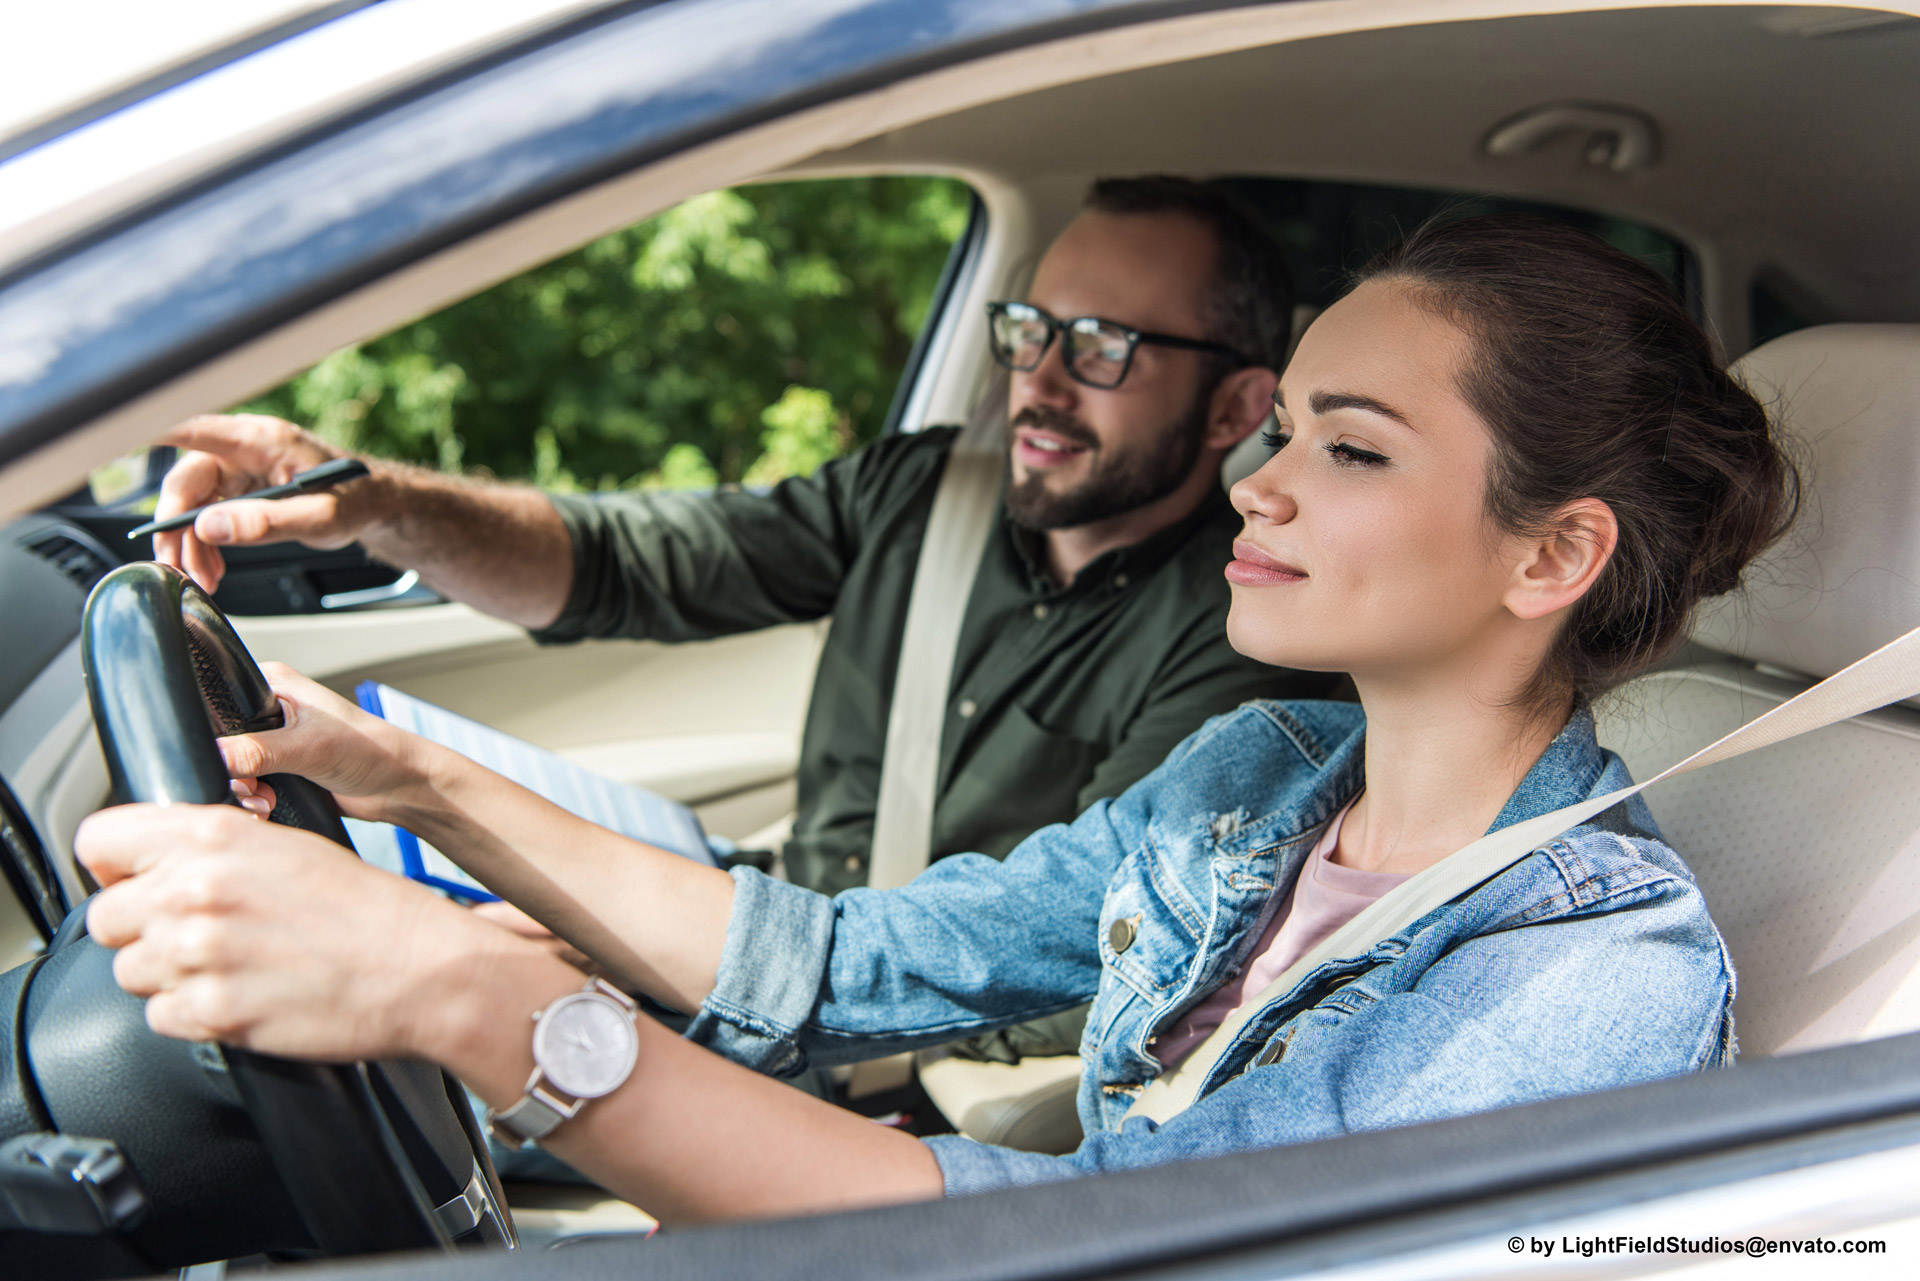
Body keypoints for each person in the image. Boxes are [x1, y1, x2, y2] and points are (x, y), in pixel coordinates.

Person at [79, 215, 1798, 1223]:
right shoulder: (1258, 785)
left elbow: (1092, 1253)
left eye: (1348, 448)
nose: (1259, 487)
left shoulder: (1587, 986)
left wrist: (472, 1000)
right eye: (1288, 435)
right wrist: (410, 780)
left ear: (1554, 553)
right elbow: (836, 961)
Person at [151, 175, 1335, 918]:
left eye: (1103, 346)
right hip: (771, 911)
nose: (1037, 383)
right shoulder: (920, 492)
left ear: (1236, 410)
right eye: (1029, 332)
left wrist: (664, 967)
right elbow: (626, 562)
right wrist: (378, 504)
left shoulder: (1245, 634)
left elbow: (1078, 949)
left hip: (892, 1027)